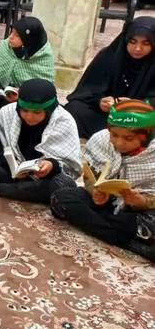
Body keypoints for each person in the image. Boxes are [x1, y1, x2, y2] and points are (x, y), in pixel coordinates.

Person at [51, 99, 155, 261]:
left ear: (145, 137)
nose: (119, 143)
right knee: (61, 199)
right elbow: (89, 177)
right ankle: (130, 242)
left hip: (139, 212)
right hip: (106, 205)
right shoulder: (101, 140)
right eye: (114, 135)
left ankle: (115, 230)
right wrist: (94, 192)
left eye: (128, 138)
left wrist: (141, 201)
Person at [0, 79, 81, 203]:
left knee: (63, 185)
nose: (29, 117)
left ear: (49, 110)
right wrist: (14, 168)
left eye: (37, 112)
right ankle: (22, 189)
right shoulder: (7, 113)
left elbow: (69, 166)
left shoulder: (64, 121)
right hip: (14, 172)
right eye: (25, 110)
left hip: (45, 177)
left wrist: (51, 165)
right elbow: (1, 150)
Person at [65, 16, 155, 139]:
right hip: (107, 117)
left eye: (146, 43)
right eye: (133, 42)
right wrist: (100, 101)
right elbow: (86, 91)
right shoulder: (108, 56)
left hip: (138, 118)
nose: (138, 48)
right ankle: (121, 137)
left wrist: (136, 105)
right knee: (74, 109)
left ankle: (119, 136)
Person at [0, 17, 54, 112]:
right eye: (12, 32)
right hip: (2, 92)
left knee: (35, 106)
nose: (11, 37)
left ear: (28, 40)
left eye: (17, 35)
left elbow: (44, 90)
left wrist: (21, 94)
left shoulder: (43, 55)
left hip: (24, 98)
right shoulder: (7, 45)